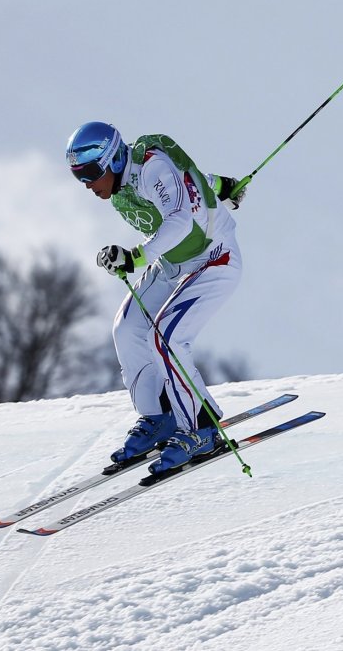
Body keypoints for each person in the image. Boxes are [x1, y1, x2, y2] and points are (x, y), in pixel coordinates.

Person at [65, 121, 247, 476]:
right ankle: (159, 417)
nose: (87, 184)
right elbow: (189, 180)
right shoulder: (125, 183)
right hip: (174, 263)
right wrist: (223, 186)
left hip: (214, 258)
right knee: (128, 329)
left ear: (113, 159)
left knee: (167, 336)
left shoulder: (150, 165)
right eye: (78, 176)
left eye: (89, 173)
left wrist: (133, 257)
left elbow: (178, 219)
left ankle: (201, 427)